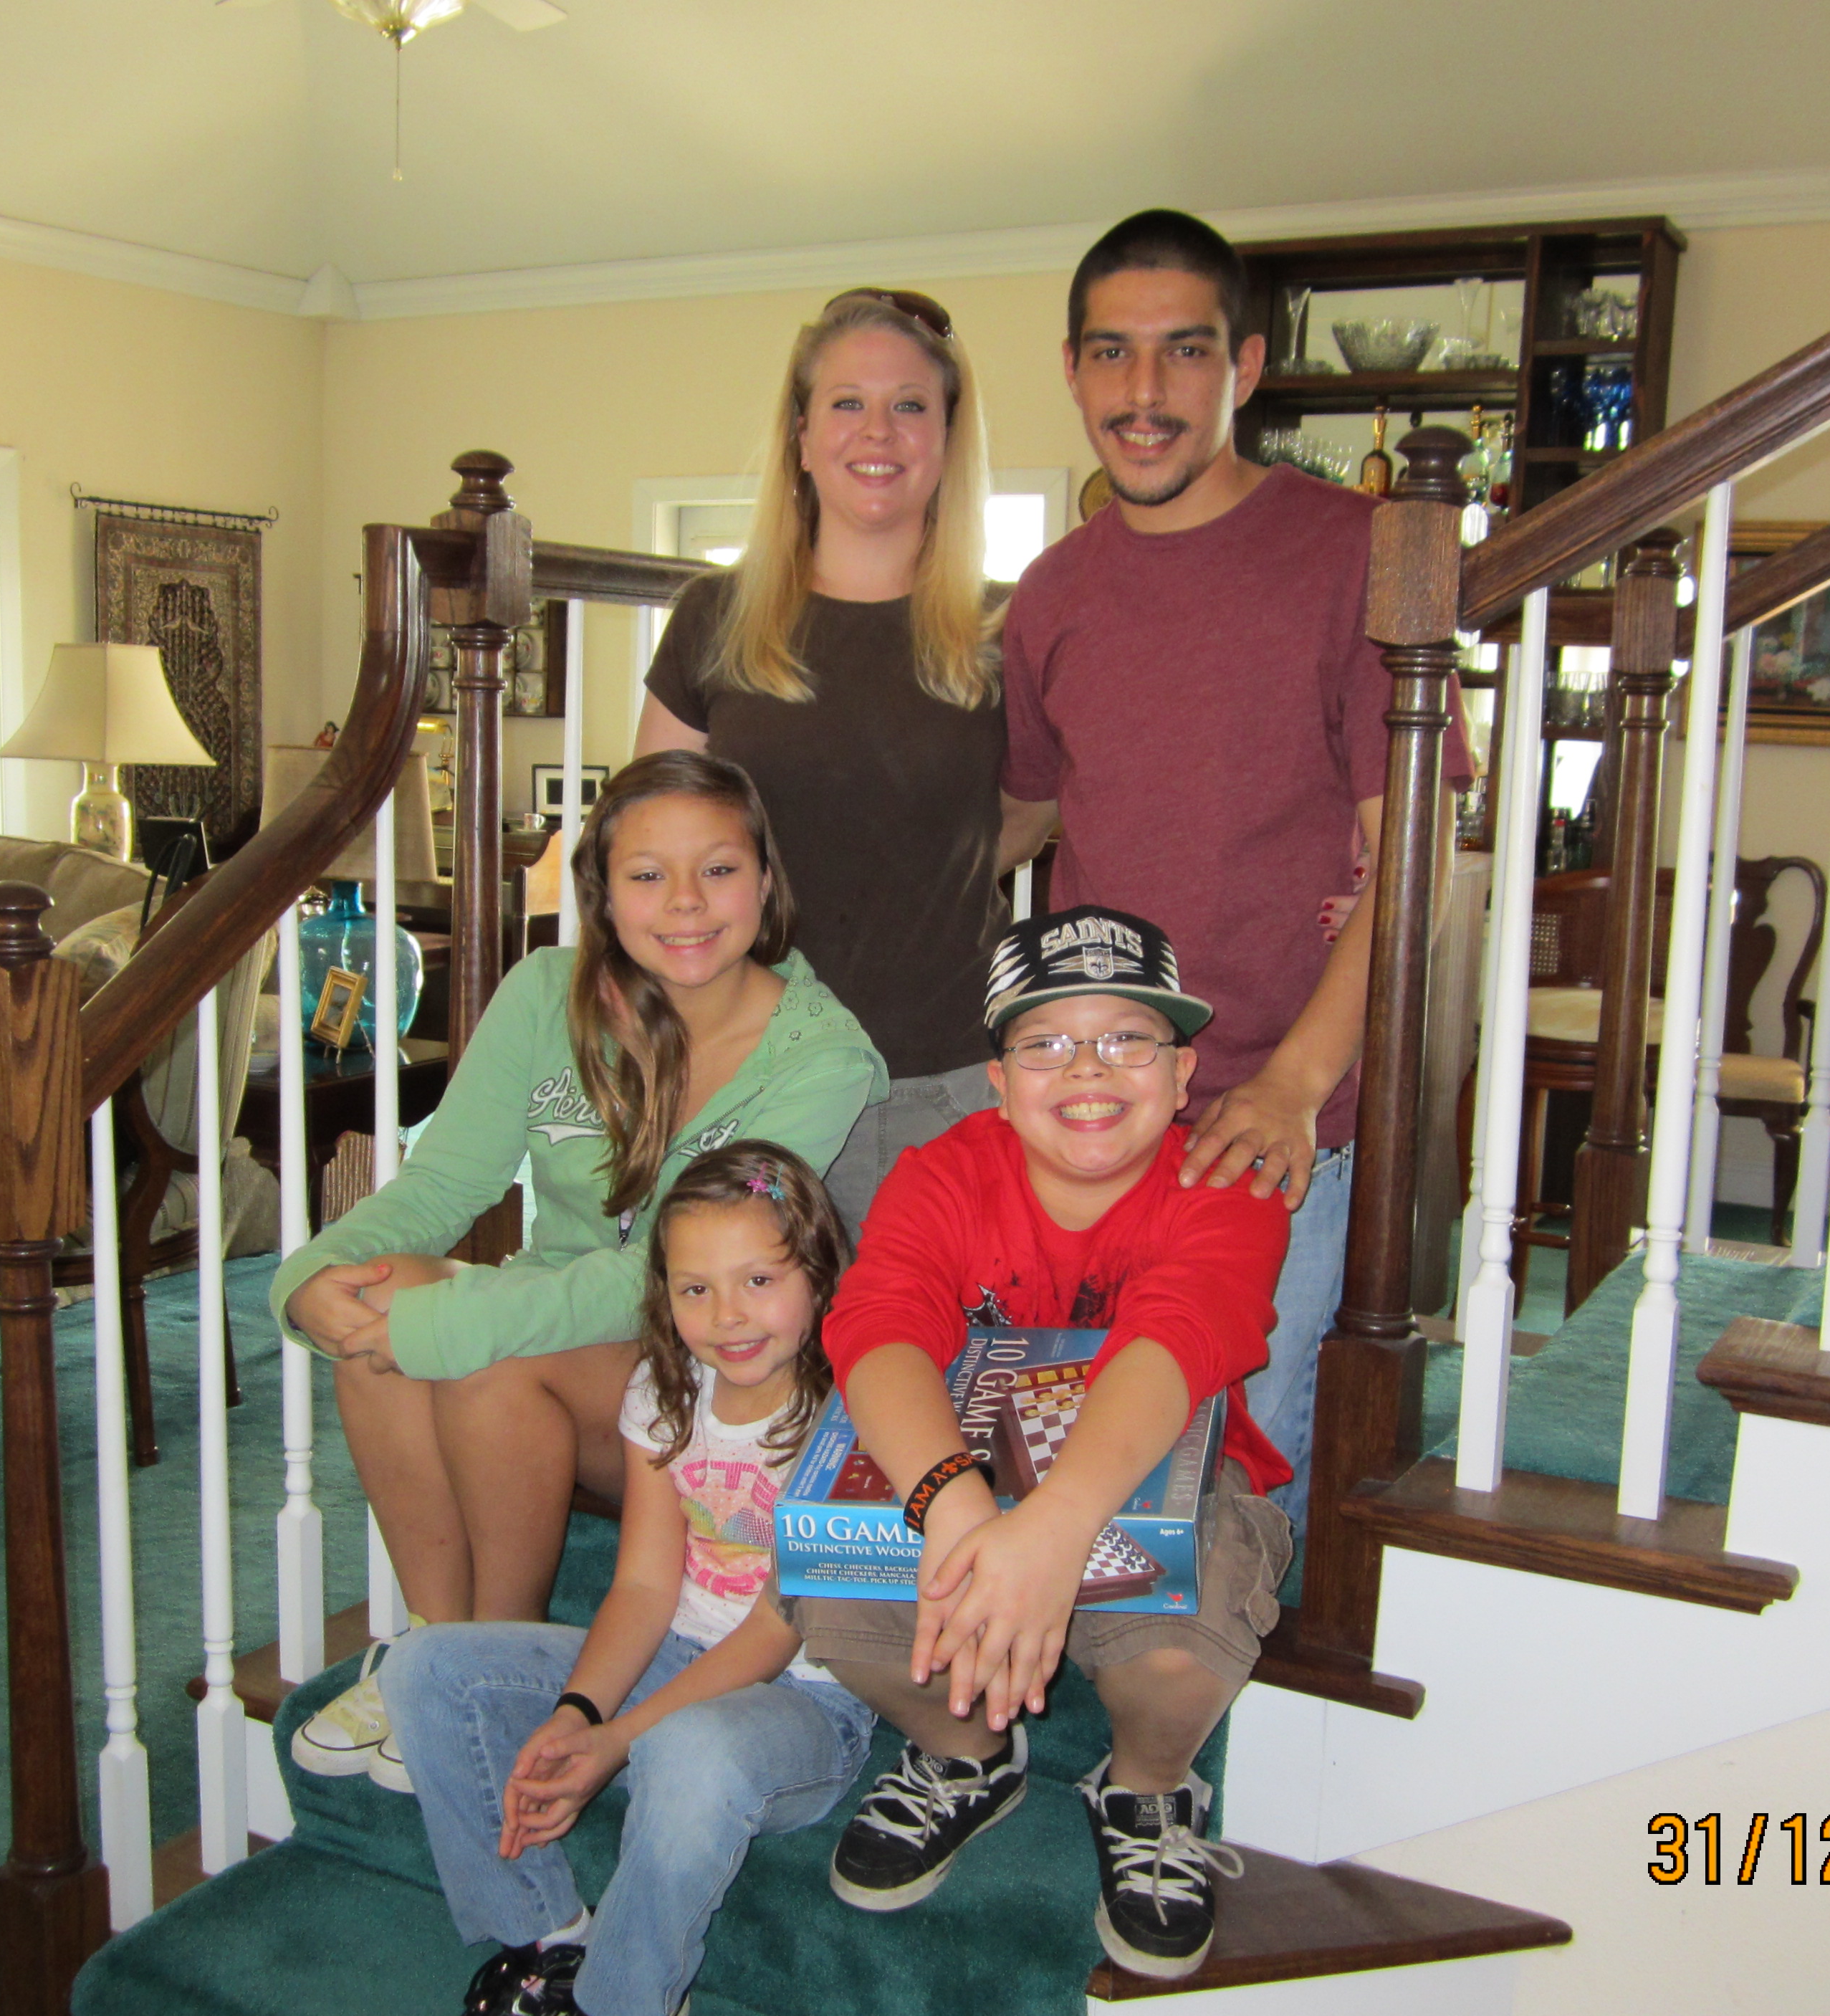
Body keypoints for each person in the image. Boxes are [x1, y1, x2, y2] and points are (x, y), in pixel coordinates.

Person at [268, 751, 885, 1790]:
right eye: (647, 875)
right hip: (566, 1337)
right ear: (601, 890)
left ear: (766, 882)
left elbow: (666, 1276)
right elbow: (443, 1185)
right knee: (385, 1299)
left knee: (486, 1354)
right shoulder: (545, 994)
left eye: (718, 870)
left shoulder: (822, 1055)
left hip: (704, 1370)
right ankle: (433, 1644)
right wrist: (312, 1275)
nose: (685, 904)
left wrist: (450, 1321)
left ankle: (489, 1664)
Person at [999, 210, 1475, 1520]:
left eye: (1186, 351)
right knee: (1091, 1470)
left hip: (1277, 1126)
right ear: (1072, 368)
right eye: (1112, 352)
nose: (1144, 392)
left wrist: (1294, 1088)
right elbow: (1019, 819)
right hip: (1098, 1109)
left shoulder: (1356, 553)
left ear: (1247, 367)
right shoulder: (1050, 592)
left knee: (1239, 1490)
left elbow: (1416, 849)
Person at [790, 905, 1293, 1980]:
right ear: (998, 1081)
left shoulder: (1228, 1183)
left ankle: (1148, 1789)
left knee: (1181, 1645)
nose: (1088, 1070)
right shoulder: (942, 1171)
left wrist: (1051, 1530)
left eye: (1127, 1040)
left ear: (1183, 1071)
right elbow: (877, 1326)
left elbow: (1177, 1337)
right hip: (975, 1477)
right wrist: (959, 1508)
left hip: (1159, 1486)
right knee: (828, 1589)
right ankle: (968, 1755)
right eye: (1046, 1043)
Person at [378, 1141, 876, 2016]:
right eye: (695, 1289)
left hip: (804, 1706)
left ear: (819, 1276)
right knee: (426, 1667)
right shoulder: (667, 1390)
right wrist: (579, 1712)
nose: (727, 1316)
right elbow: (645, 1586)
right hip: (674, 1657)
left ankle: (626, 2001)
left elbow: (775, 1633)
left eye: (760, 1280)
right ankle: (546, 1940)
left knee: (688, 1750)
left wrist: (616, 1741)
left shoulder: (851, 1411)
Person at [636, 286, 1036, 1241]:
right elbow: (651, 849)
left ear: (949, 438)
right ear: (802, 434)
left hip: (944, 1085)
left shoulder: (1008, 628)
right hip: (745, 1076)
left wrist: (925, 864)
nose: (878, 431)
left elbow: (1031, 811)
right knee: (741, 1335)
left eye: (911, 405)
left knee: (935, 1339)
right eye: (848, 402)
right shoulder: (714, 617)